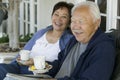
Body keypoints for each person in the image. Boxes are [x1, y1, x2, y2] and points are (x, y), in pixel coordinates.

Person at [0, 1, 74, 80]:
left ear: (69, 21)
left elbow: (59, 66)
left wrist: (34, 62)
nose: (59, 19)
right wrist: (18, 61)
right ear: (52, 16)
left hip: (37, 75)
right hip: (18, 68)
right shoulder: (41, 33)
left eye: (64, 17)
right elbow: (24, 52)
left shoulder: (69, 41)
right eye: (56, 14)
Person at [46, 1, 115, 80]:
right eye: (73, 21)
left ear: (97, 23)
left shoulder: (104, 48)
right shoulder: (74, 40)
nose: (76, 27)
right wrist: (42, 67)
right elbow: (59, 62)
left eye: (81, 21)